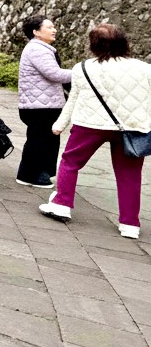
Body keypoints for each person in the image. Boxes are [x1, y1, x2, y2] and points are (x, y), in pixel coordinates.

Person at [42, 24, 151, 238]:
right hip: (131, 127)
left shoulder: (83, 68)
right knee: (130, 174)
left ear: (93, 44)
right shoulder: (145, 69)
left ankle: (62, 203)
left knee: (71, 162)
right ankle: (130, 224)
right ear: (124, 42)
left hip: (90, 124)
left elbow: (73, 99)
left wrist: (59, 125)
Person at [16, 15, 72, 188]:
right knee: (40, 140)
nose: (54, 30)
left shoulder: (42, 48)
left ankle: (38, 173)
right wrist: (81, 72)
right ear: (36, 32)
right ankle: (30, 175)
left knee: (44, 139)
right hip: (39, 105)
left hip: (43, 103)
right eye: (49, 27)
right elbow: (54, 74)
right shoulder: (37, 49)